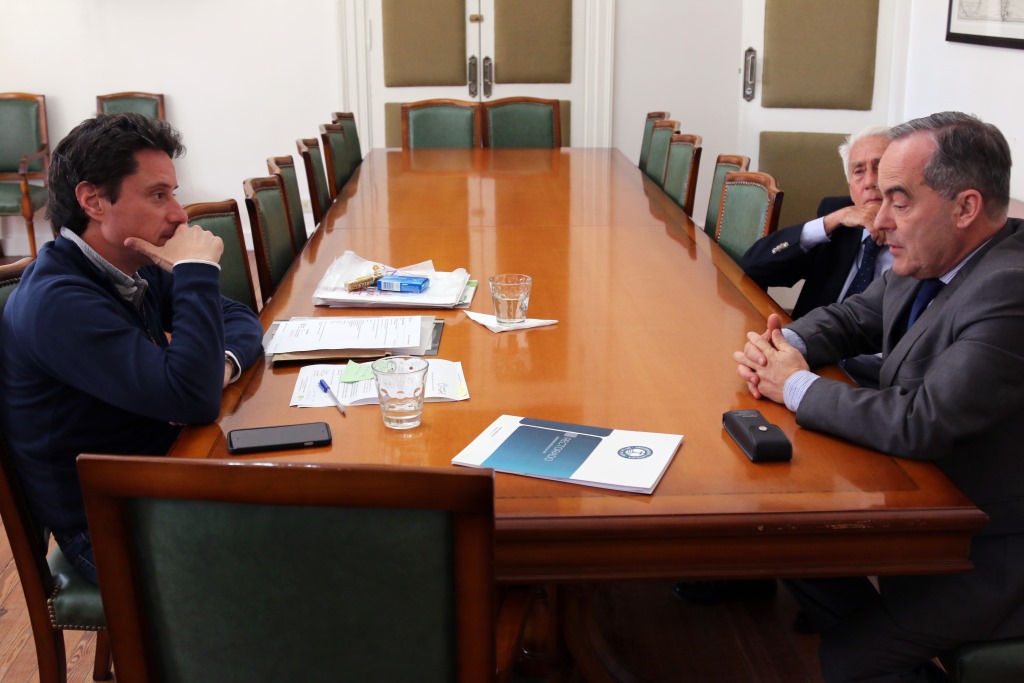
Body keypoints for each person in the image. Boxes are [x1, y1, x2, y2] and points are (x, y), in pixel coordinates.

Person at [734, 111, 1024, 682]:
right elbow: (851, 317)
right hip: (921, 502)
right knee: (789, 551)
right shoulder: (932, 253)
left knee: (849, 659)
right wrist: (781, 344)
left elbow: (921, 421)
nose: (876, 223)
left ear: (965, 208)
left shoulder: (1009, 288)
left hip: (988, 546)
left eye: (899, 199)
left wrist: (793, 384)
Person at [0, 113, 264, 585]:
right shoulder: (57, 302)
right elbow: (191, 399)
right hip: (107, 527)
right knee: (309, 541)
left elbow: (240, 319)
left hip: (158, 477)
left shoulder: (129, 264)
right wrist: (195, 272)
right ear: (93, 200)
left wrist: (218, 366)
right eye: (158, 194)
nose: (180, 214)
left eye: (173, 193)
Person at [741, 125, 892, 388]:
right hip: (809, 359)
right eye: (859, 172)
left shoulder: (920, 239)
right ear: (850, 185)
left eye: (880, 168)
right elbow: (755, 266)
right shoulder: (838, 218)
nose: (870, 181)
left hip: (875, 381)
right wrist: (831, 221)